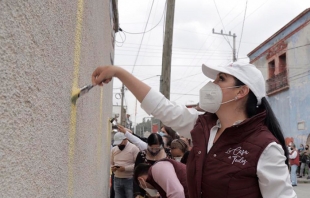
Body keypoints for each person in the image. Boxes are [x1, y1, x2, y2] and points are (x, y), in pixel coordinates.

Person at [92, 61, 296, 197]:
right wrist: (118, 72)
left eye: (221, 79)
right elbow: (161, 106)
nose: (212, 84)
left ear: (242, 91)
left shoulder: (265, 147)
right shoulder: (202, 126)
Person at [134, 133, 173, 197]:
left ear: (161, 145)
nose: (154, 151)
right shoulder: (142, 155)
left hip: (165, 190)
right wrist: (137, 193)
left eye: (157, 148)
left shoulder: (169, 153)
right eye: (151, 148)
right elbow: (136, 174)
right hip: (145, 190)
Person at [111, 132, 140, 198]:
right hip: (117, 179)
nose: (119, 144)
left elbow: (138, 166)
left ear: (125, 139)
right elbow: (111, 163)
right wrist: (113, 168)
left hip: (129, 179)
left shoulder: (134, 148)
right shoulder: (114, 150)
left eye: (120, 142)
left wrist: (125, 168)